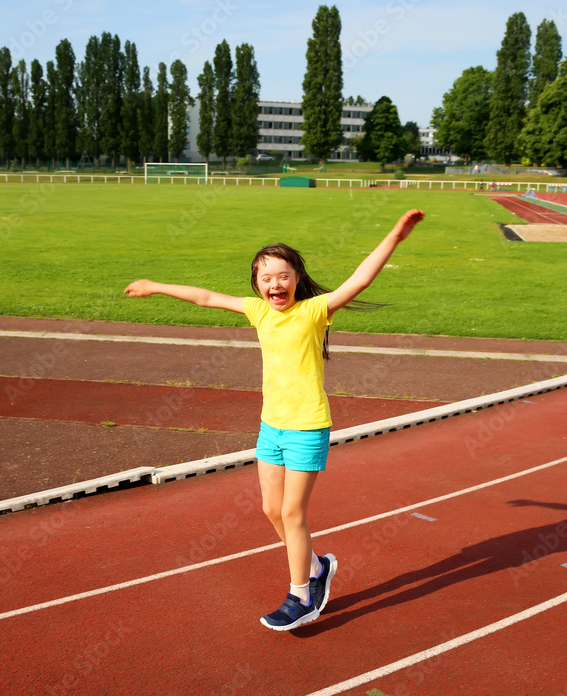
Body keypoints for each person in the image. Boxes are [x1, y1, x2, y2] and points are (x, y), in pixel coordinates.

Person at [124, 208, 425, 631]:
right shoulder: (259, 312)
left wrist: (395, 235)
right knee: (270, 509)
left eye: (282, 276)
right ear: (257, 285)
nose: (274, 284)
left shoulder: (315, 310)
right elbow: (207, 297)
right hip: (271, 426)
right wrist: (155, 286)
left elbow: (359, 281)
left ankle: (302, 595)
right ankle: (317, 566)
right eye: (265, 278)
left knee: (292, 513)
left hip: (307, 426)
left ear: (296, 278)